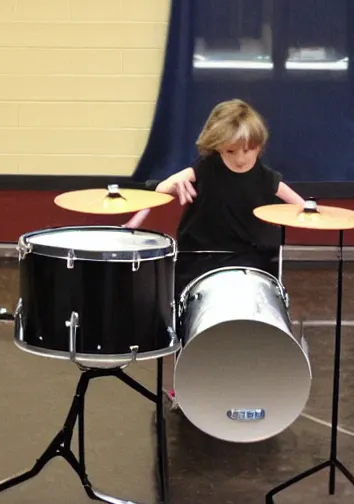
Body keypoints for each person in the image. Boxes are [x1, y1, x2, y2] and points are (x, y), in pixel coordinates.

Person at [124, 98, 305, 407]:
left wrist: (308, 214)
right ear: (216, 147)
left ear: (259, 146)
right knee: (191, 321)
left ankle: (248, 379)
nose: (240, 158)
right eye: (230, 151)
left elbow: (300, 206)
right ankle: (187, 384)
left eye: (248, 149)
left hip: (250, 260)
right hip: (199, 259)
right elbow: (161, 190)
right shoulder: (203, 170)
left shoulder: (265, 178)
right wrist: (151, 204)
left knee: (247, 322)